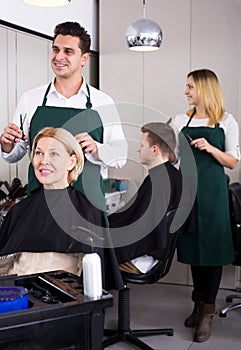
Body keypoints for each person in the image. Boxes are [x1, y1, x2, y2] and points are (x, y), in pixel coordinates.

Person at [0, 21, 127, 210]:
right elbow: (15, 154)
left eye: (68, 51)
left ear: (84, 58)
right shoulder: (30, 99)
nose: (59, 56)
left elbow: (120, 156)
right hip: (41, 203)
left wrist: (96, 148)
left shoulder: (103, 102)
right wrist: (7, 144)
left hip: (88, 204)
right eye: (55, 49)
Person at [0, 127, 123, 291]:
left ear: (71, 162)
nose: (43, 161)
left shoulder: (88, 213)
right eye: (38, 153)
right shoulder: (19, 211)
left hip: (66, 301)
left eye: (54, 154)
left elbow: (94, 279)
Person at [173, 69, 240, 342]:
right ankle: (197, 304)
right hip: (188, 192)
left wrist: (211, 148)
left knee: (211, 252)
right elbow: (174, 156)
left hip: (213, 195)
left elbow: (232, 161)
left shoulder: (227, 121)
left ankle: (207, 314)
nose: (186, 91)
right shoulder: (179, 119)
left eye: (190, 86)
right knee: (193, 250)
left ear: (204, 89)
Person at [109, 122, 182, 274]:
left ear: (155, 150)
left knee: (84, 256)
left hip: (141, 258)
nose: (138, 149)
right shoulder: (172, 176)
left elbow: (143, 229)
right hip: (151, 254)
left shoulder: (159, 182)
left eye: (142, 145)